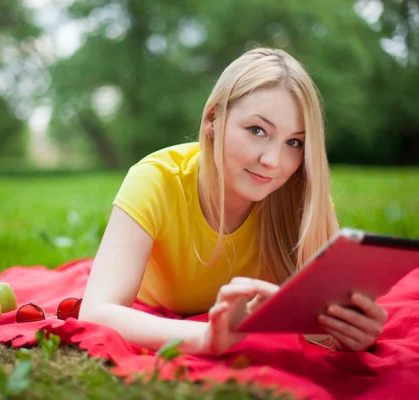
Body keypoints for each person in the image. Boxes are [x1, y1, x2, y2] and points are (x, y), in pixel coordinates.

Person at [79, 48, 388, 355]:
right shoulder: (156, 180)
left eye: (294, 142)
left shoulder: (303, 198)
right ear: (214, 118)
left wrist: (350, 331)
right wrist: (204, 337)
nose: (273, 161)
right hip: (159, 306)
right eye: (257, 130)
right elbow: (96, 313)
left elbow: (325, 318)